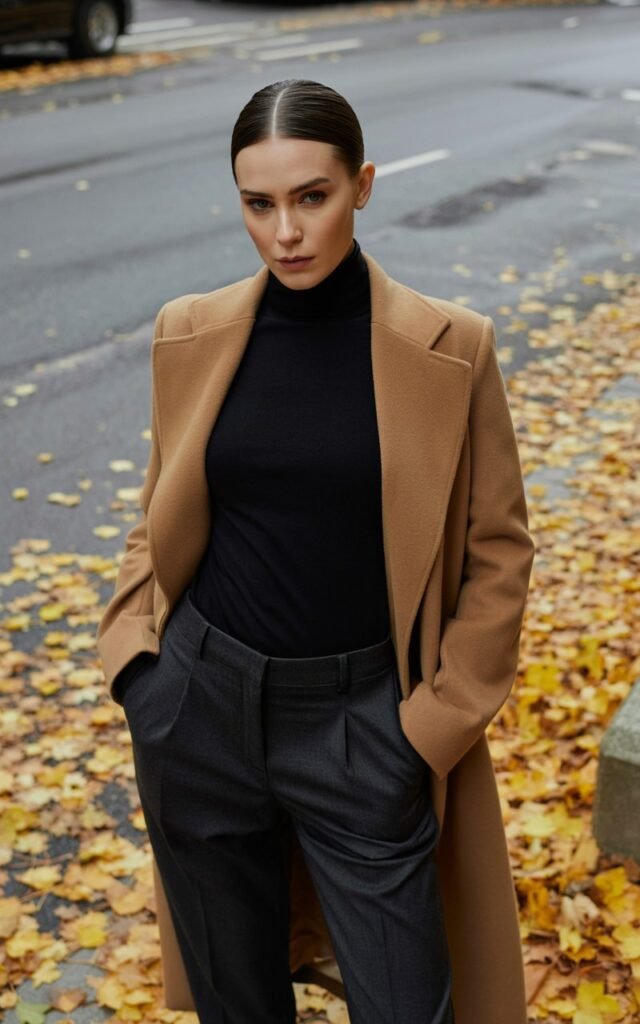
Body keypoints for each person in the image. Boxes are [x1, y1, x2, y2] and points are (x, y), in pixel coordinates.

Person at [96, 79, 535, 1024]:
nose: (286, 231)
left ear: (362, 185)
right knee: (236, 1004)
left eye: (312, 197)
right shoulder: (191, 330)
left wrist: (431, 727)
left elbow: (499, 552)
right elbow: (160, 501)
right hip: (199, 712)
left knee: (408, 1002)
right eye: (260, 204)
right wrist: (141, 670)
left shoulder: (451, 348)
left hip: (363, 724)